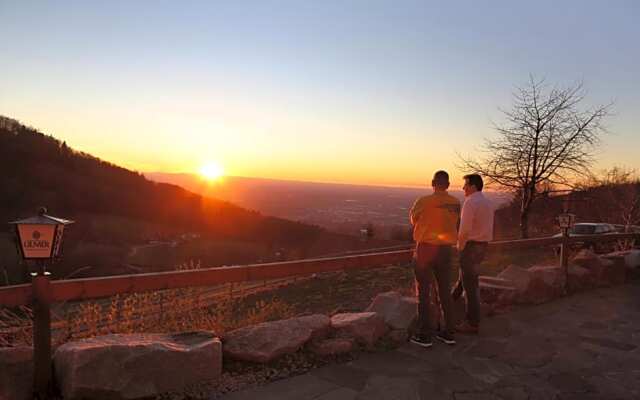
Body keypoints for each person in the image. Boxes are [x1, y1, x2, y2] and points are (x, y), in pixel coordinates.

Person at [409, 170, 460, 347]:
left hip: (426, 248)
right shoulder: (455, 203)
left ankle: (424, 335)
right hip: (446, 250)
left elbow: (414, 220)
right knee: (445, 291)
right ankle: (448, 333)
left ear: (432, 183)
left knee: (423, 292)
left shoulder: (423, 201)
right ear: (447, 185)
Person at [453, 173, 494, 334]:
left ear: (472, 186)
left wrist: (460, 246)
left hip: (470, 247)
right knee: (465, 279)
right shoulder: (487, 202)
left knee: (470, 286)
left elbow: (464, 230)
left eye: (465, 185)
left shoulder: (470, 202)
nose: (463, 188)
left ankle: (472, 323)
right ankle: (450, 303)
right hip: (483, 246)